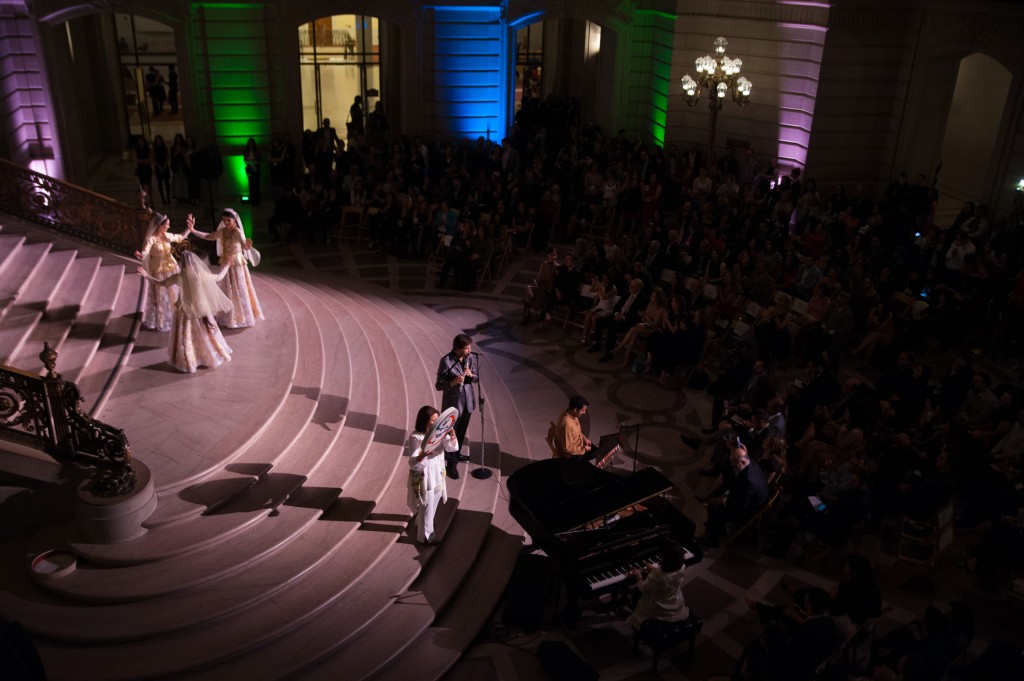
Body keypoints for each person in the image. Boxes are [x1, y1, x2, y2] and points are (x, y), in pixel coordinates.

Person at [136, 250, 232, 373]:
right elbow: (219, 277)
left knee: (186, 336)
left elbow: (161, 283)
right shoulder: (201, 275)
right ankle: (207, 355)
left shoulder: (179, 276)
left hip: (184, 310)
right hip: (201, 309)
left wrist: (146, 275)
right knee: (205, 334)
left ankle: (189, 359)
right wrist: (228, 264)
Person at [188, 209, 264, 329]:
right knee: (227, 289)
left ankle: (242, 315)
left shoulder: (237, 232)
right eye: (224, 220)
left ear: (235, 220)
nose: (226, 222)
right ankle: (229, 315)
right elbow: (209, 236)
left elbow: (244, 245)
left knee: (239, 288)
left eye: (228, 220)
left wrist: (247, 246)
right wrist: (193, 230)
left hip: (236, 264)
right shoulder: (222, 231)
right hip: (226, 262)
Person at [406, 405, 459, 545]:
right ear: (424, 420)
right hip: (425, 474)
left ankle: (421, 522)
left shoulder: (439, 432)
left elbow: (450, 447)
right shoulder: (416, 436)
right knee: (427, 503)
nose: (436, 423)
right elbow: (413, 461)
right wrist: (422, 454)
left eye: (437, 419)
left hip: (438, 471)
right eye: (433, 420)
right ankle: (426, 537)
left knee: (434, 501)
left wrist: (452, 436)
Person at [701, 442, 770, 547]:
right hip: (750, 500)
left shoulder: (748, 480)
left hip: (749, 511)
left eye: (733, 462)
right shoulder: (751, 464)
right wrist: (726, 495)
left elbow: (740, 506)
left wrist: (723, 500)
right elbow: (738, 490)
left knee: (714, 506)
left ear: (743, 461)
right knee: (722, 493)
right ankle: (716, 526)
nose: (731, 464)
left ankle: (713, 539)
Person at [134, 212, 187, 332]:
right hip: (158, 270)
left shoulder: (167, 236)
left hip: (172, 268)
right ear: (159, 226)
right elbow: (146, 252)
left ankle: (175, 316)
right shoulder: (151, 239)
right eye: (166, 225)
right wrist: (141, 255)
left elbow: (180, 237)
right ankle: (164, 319)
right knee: (162, 296)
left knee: (174, 292)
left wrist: (189, 229)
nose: (168, 227)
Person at [434, 334, 477, 479]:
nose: (470, 350)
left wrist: (472, 375)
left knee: (461, 433)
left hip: (468, 403)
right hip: (453, 405)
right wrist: (452, 383)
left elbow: (476, 377)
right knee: (452, 434)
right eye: (466, 348)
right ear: (458, 349)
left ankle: (457, 455)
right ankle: (451, 464)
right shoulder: (446, 361)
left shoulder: (470, 358)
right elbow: (439, 385)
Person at [625, 538, 690, 629]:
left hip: (660, 609)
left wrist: (638, 576)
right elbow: (668, 576)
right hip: (675, 602)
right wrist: (654, 570)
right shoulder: (682, 565)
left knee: (636, 592)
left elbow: (642, 588)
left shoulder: (657, 575)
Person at [548, 395, 594, 459]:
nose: (584, 412)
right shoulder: (567, 425)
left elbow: (576, 432)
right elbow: (568, 449)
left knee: (595, 449)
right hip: (569, 455)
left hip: (576, 444)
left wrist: (584, 438)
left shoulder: (571, 413)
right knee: (595, 453)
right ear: (575, 409)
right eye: (583, 410)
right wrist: (584, 449)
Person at [244, 137, 262, 205]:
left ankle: (257, 200)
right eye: (249, 143)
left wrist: (255, 162)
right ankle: (252, 200)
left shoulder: (257, 150)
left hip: (256, 169)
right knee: (251, 185)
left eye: (251, 143)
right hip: (249, 169)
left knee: (256, 185)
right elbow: (245, 160)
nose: (250, 144)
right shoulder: (246, 151)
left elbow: (260, 160)